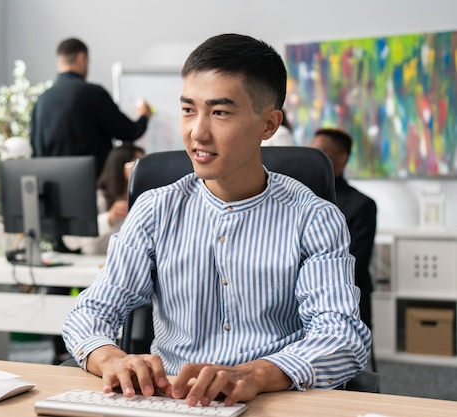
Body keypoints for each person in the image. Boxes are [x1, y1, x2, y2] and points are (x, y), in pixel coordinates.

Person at [62, 33, 371, 406]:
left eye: (220, 112)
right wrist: (111, 357)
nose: (197, 132)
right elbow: (91, 311)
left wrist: (255, 374)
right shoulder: (155, 209)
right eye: (189, 110)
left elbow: (341, 336)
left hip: (274, 401)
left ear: (269, 125)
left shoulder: (314, 218)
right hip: (173, 402)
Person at [30, 37, 152, 178]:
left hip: (54, 190)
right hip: (92, 187)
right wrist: (144, 116)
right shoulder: (93, 94)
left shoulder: (42, 100)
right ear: (82, 59)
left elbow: (36, 152)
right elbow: (129, 132)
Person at [309, 127, 378, 331]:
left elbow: (355, 264)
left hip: (344, 298)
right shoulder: (300, 199)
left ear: (342, 158)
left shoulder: (361, 204)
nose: (314, 160)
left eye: (321, 152)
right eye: (311, 152)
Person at [62, 143, 145, 255]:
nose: (141, 169)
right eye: (135, 162)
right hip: (95, 263)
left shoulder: (145, 199)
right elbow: (71, 240)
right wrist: (109, 218)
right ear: (119, 166)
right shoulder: (99, 197)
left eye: (143, 163)